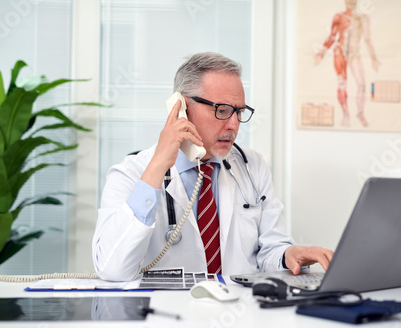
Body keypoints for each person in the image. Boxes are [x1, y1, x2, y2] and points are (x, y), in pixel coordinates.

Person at [92, 52, 333, 281]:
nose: (234, 125)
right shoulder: (130, 174)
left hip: (239, 310)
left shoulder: (253, 166)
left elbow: (270, 249)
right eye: (223, 110)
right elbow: (113, 269)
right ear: (183, 108)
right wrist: (157, 165)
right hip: (166, 314)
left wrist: (286, 255)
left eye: (239, 112)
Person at [314, 0, 380, 127]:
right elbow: (332, 36)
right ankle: (345, 113)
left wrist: (374, 58)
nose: (350, 2)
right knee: (342, 84)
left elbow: (367, 39)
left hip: (355, 54)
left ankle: (360, 113)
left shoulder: (363, 18)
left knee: (362, 85)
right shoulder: (338, 17)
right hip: (340, 53)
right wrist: (321, 53)